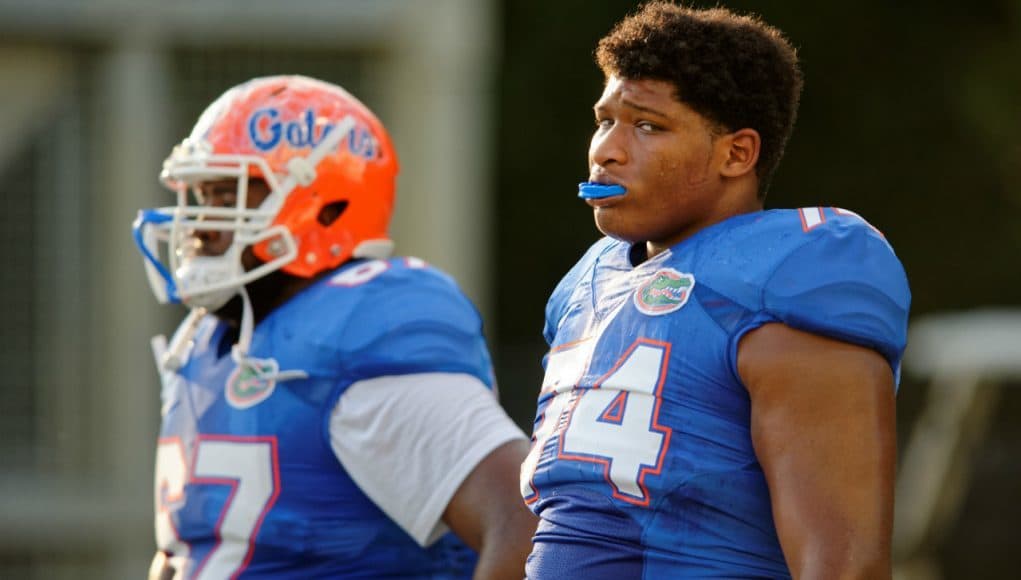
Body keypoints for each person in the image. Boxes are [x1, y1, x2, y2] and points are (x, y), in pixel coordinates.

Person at [520, 3, 911, 579]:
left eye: (648, 125)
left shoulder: (790, 273)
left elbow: (842, 565)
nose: (606, 149)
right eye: (605, 120)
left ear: (737, 153)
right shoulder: (588, 283)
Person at [132, 74, 536, 579]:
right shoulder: (205, 342)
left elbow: (523, 523)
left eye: (228, 195)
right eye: (202, 193)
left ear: (325, 205)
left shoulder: (360, 330)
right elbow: (194, 548)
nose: (200, 225)